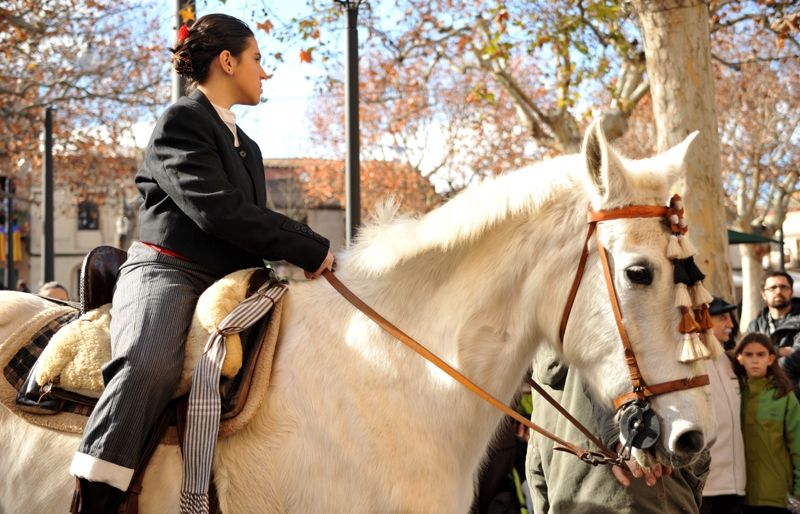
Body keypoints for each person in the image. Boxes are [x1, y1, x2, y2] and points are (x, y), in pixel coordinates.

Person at [68, 14, 335, 513]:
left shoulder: (248, 146)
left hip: (233, 281)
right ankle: (96, 499)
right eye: (257, 59)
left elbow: (251, 220)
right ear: (227, 61)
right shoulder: (181, 121)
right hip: (167, 270)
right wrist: (309, 245)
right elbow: (219, 212)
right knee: (147, 366)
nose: (264, 71)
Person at [526, 345, 710, 514]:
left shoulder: (541, 343)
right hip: (646, 493)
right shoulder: (608, 322)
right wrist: (620, 435)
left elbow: (536, 463)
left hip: (572, 499)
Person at [735, 332, 800, 513]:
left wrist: (799, 492)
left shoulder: (783, 396)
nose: (755, 360)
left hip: (776, 494)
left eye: (761, 354)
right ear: (739, 358)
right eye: (749, 354)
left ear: (771, 359)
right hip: (740, 493)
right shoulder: (734, 394)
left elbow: (798, 445)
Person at [701, 297, 746, 514]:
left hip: (737, 484)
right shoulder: (689, 362)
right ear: (703, 319)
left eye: (730, 318)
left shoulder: (731, 361)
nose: (730, 324)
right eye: (722, 318)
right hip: (705, 486)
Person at [747, 271, 800, 384]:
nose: (778, 291)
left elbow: (797, 359)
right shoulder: (755, 325)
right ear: (763, 294)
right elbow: (747, 357)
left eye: (783, 287)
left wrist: (761, 359)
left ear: (791, 292)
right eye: (772, 288)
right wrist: (779, 351)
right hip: (763, 396)